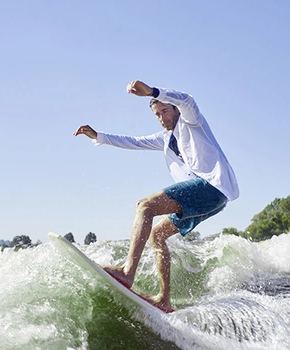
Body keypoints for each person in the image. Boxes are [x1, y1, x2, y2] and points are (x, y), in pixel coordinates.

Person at [74, 80, 239, 313]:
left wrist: (152, 91)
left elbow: (187, 100)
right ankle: (164, 299)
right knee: (157, 235)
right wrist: (98, 136)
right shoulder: (164, 138)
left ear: (174, 109)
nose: (162, 117)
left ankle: (126, 272)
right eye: (157, 114)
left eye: (165, 111)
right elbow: (133, 142)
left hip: (212, 186)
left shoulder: (192, 122)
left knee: (144, 206)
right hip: (208, 199)